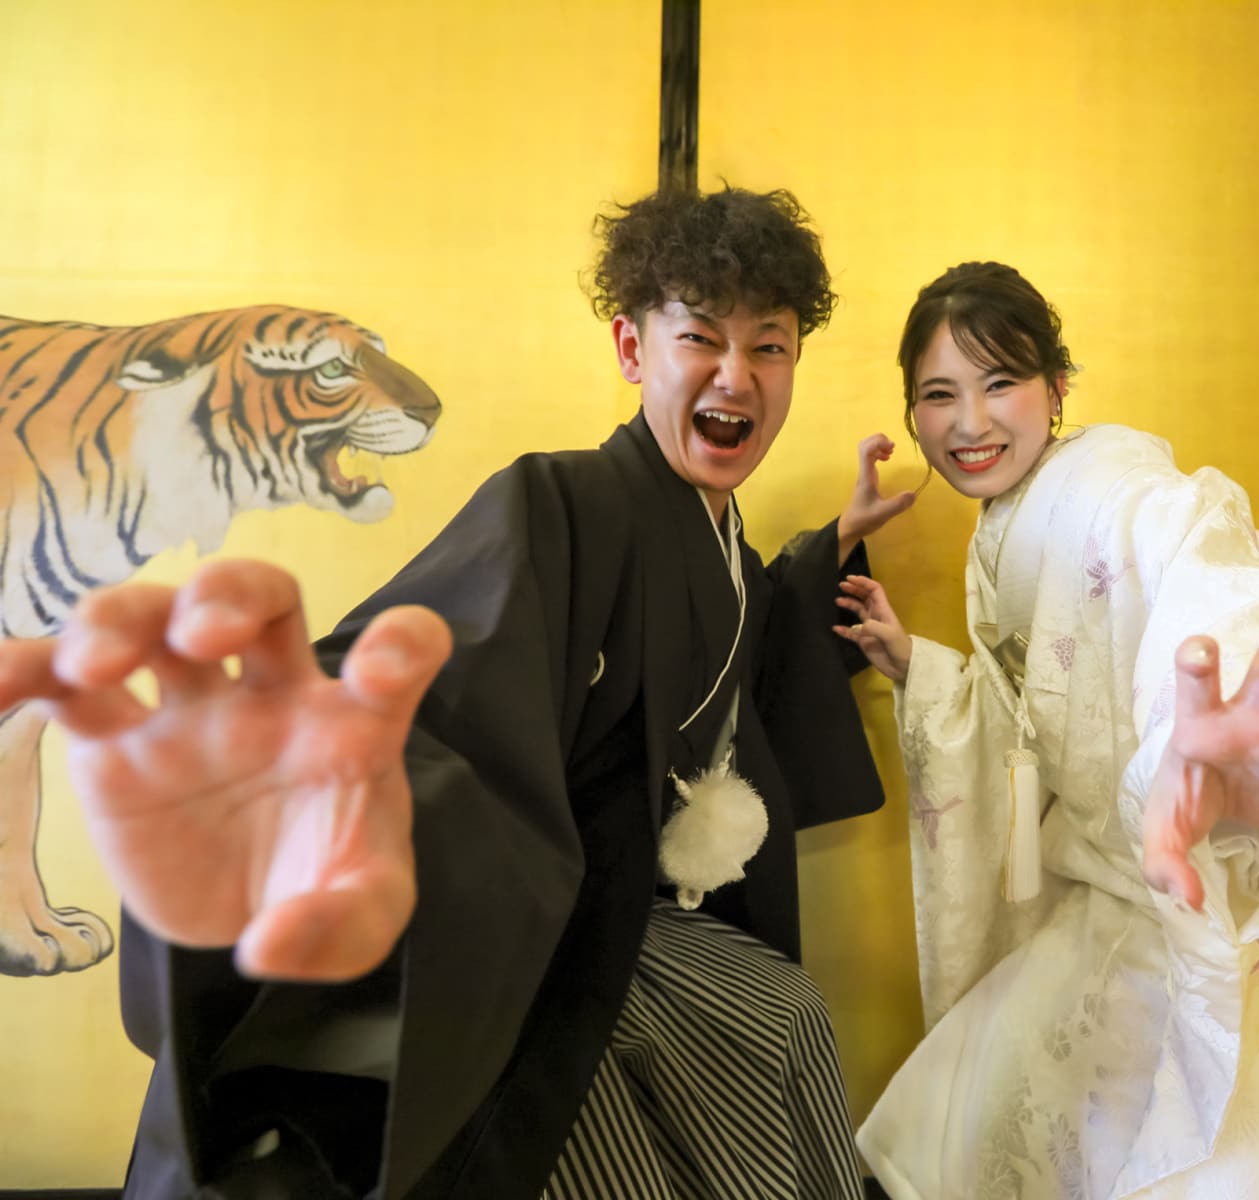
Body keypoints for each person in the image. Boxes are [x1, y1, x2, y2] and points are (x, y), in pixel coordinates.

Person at [0, 186, 912, 1198]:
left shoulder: (723, 546)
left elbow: (739, 646)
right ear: (631, 347)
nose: (735, 375)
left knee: (784, 1013)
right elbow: (421, 684)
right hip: (545, 947)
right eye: (700, 337)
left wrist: (827, 549)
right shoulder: (562, 501)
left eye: (769, 347)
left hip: (630, 929)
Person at [838, 262, 1259, 1199]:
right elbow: (1036, 713)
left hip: (1223, 871)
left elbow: (1210, 581)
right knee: (982, 1113)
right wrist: (920, 666)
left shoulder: (1119, 491)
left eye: (1001, 383)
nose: (970, 423)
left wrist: (1219, 754)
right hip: (1132, 877)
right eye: (939, 395)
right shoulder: (1008, 521)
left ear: (1058, 387)